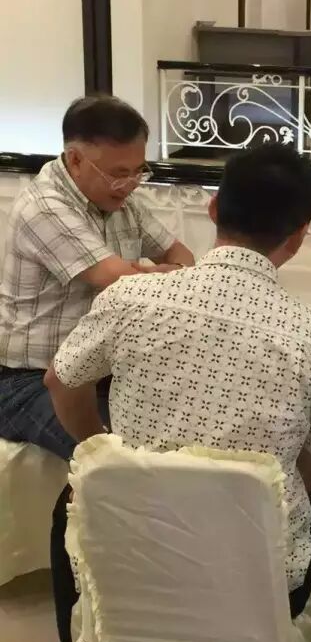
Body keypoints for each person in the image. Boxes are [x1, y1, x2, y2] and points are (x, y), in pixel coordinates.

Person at [44, 145, 311, 642]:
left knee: (74, 498)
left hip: (130, 557)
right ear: (299, 234)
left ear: (213, 209)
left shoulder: (130, 297)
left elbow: (60, 382)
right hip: (254, 583)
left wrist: (102, 448)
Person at [0, 95, 194, 460]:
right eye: (119, 173)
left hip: (98, 371)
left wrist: (167, 272)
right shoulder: (44, 206)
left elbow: (181, 255)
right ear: (75, 160)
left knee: (184, 419)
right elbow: (119, 280)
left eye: (138, 170)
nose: (131, 184)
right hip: (28, 380)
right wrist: (165, 275)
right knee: (124, 455)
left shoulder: (123, 201)